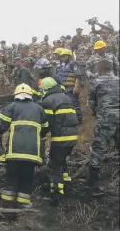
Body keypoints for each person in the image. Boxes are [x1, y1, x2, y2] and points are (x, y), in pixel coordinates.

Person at [0, 84, 48, 208]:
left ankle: (7, 203)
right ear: (30, 95)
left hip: (14, 150)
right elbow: (46, 128)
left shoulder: (11, 107)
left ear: (16, 95)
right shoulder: (39, 109)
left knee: (12, 176)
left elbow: (0, 127)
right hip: (33, 151)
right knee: (27, 176)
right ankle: (23, 204)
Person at [39, 77, 79, 206]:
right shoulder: (66, 97)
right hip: (73, 137)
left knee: (54, 164)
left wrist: (40, 135)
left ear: (45, 89)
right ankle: (67, 183)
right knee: (62, 160)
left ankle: (56, 194)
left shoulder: (47, 101)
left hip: (60, 138)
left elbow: (46, 123)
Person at [87, 60, 120, 197]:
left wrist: (98, 115)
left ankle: (93, 186)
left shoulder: (96, 82)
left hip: (105, 121)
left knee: (98, 152)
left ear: (99, 70)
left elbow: (91, 104)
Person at [56, 49, 83, 124]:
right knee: (65, 104)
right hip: (64, 88)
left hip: (71, 88)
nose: (63, 58)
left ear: (69, 56)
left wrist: (76, 86)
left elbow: (78, 75)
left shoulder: (73, 64)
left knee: (74, 103)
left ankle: (79, 119)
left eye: (64, 56)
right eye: (62, 56)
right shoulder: (62, 65)